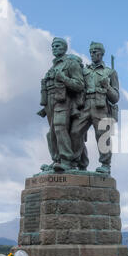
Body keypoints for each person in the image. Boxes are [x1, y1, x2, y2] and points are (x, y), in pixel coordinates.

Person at [71, 42, 119, 174]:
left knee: (103, 136)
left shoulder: (110, 72)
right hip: (85, 105)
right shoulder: (84, 71)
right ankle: (77, 163)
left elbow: (115, 98)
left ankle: (105, 165)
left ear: (102, 53)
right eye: (91, 52)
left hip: (101, 107)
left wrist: (107, 87)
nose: (92, 54)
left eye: (95, 52)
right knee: (75, 132)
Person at [39, 37, 86, 172]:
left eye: (58, 46)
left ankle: (66, 160)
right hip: (49, 103)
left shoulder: (71, 64)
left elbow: (79, 85)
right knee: (52, 133)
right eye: (53, 46)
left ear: (65, 48)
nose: (55, 48)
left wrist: (64, 79)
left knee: (60, 128)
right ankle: (57, 160)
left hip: (64, 101)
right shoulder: (53, 67)